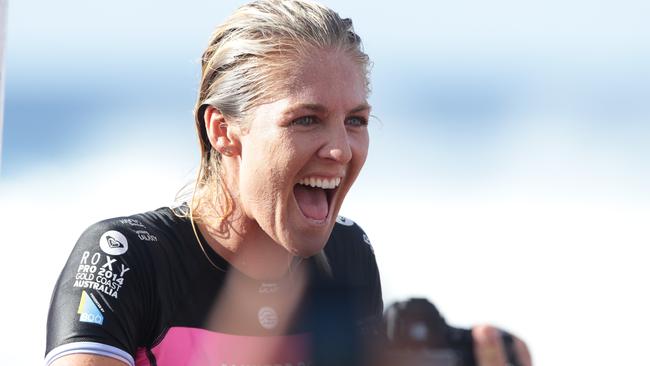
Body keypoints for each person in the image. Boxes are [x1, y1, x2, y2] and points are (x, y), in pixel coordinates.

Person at [44, 1, 532, 365]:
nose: (340, 148)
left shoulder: (347, 256)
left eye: (356, 121)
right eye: (306, 120)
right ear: (223, 130)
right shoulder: (125, 258)